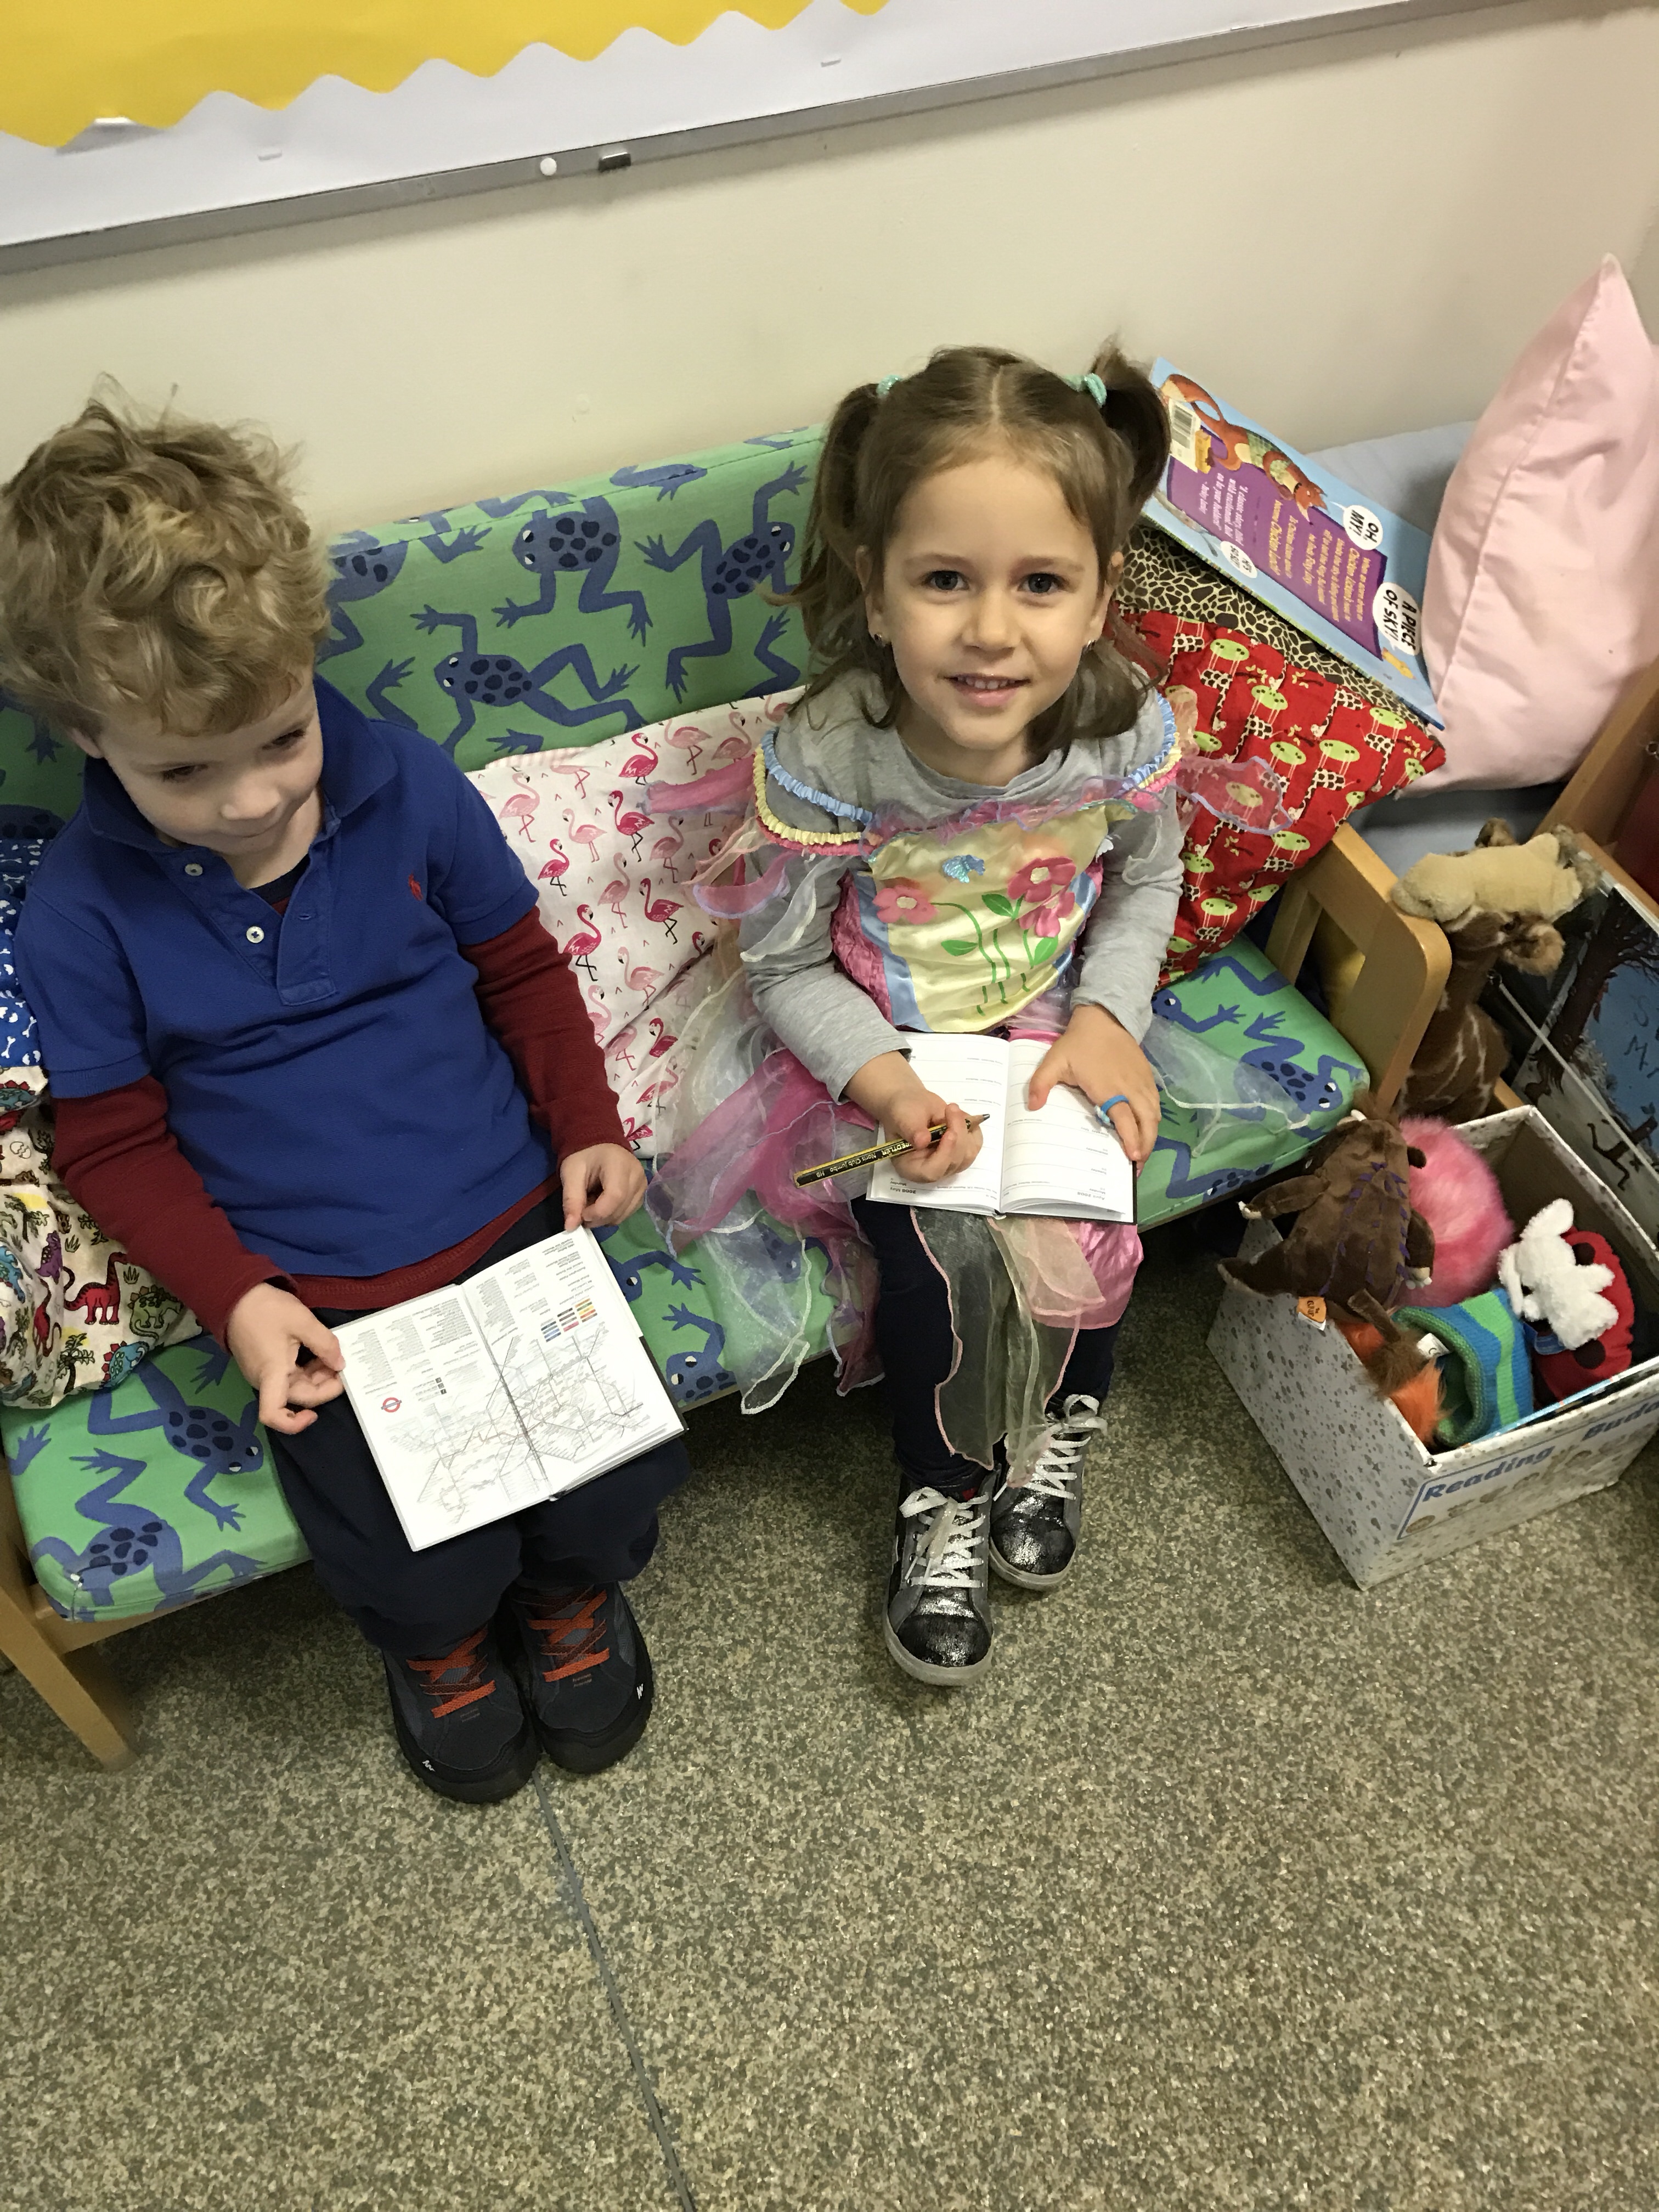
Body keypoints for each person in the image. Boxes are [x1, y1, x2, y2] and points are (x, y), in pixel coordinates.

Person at [0, 401, 689, 1802]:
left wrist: (588, 1125)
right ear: (83, 734)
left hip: (518, 1226)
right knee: (405, 1555)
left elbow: (521, 967)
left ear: (310, 665)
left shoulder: (408, 783)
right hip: (317, 1295)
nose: (250, 802)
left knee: (610, 1487)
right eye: (183, 770)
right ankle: (441, 1653)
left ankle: (570, 1605)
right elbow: (113, 1144)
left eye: (279, 738)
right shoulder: (81, 910)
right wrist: (239, 1302)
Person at [646, 343, 1195, 1688]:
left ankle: (1058, 1427)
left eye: (1040, 584)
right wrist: (888, 1086)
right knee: (940, 1263)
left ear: (1101, 594)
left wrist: (1109, 1017)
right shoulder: (834, 754)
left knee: (1097, 1215)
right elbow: (783, 966)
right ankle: (942, 1490)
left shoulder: (1123, 731)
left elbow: (1148, 878)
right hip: (883, 1037)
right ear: (875, 587)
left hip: (1055, 1014)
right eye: (946, 579)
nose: (992, 631)